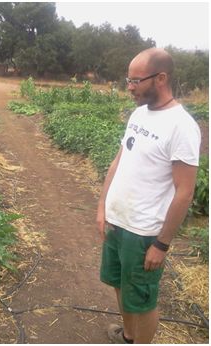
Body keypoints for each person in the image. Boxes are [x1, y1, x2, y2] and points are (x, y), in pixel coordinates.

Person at [96, 48, 201, 343]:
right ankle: (129, 335)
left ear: (161, 78)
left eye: (136, 81)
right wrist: (103, 207)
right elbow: (119, 161)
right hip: (118, 222)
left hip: (143, 233)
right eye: (127, 80)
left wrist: (162, 244)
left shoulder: (182, 127)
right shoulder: (139, 113)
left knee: (142, 301)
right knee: (118, 283)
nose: (129, 87)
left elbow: (184, 192)